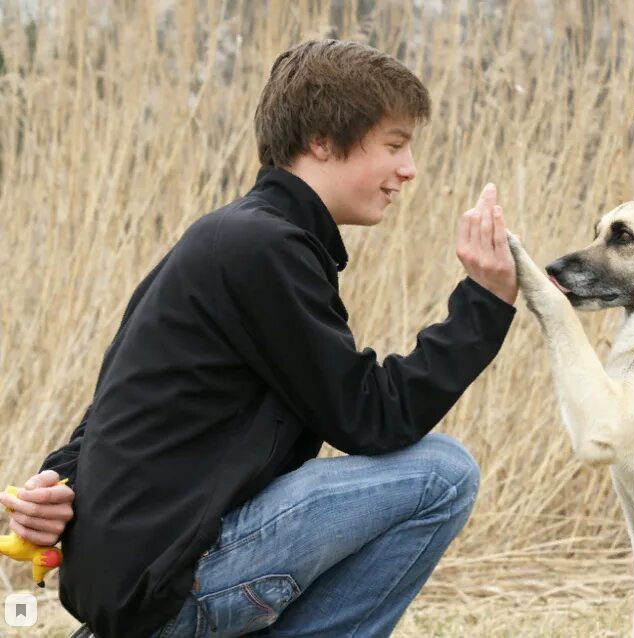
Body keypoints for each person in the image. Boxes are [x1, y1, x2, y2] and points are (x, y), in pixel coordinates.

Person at [0, 39, 517, 638]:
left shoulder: (230, 238)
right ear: (322, 140)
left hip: (139, 586)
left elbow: (125, 407)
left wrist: (58, 481)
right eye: (395, 145)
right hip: (170, 588)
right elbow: (372, 418)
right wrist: (484, 301)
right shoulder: (263, 248)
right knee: (444, 473)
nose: (410, 168)